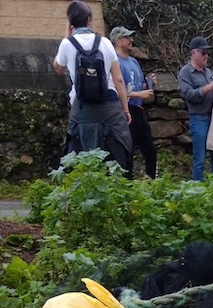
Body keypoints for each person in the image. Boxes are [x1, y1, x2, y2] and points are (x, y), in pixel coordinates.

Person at [53, 1, 132, 176]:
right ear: (89, 20)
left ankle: (81, 188)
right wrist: (125, 109)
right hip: (108, 108)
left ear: (71, 23)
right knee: (120, 145)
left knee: (76, 148)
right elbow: (118, 79)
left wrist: (66, 36)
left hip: (81, 108)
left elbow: (58, 68)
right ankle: (119, 185)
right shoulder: (105, 43)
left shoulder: (68, 44)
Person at [178, 36, 213, 180]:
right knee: (200, 159)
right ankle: (197, 192)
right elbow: (189, 95)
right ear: (193, 53)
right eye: (203, 53)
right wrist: (209, 87)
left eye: (207, 53)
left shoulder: (208, 72)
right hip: (199, 119)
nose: (206, 56)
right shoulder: (185, 73)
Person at [111, 26, 158, 179]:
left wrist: (150, 84)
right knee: (127, 152)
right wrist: (140, 94)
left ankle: (152, 182)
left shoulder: (134, 62)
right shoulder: (114, 62)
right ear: (118, 41)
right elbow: (116, 90)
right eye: (127, 37)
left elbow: (140, 86)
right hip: (124, 112)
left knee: (150, 150)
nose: (131, 40)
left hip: (138, 110)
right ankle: (128, 186)